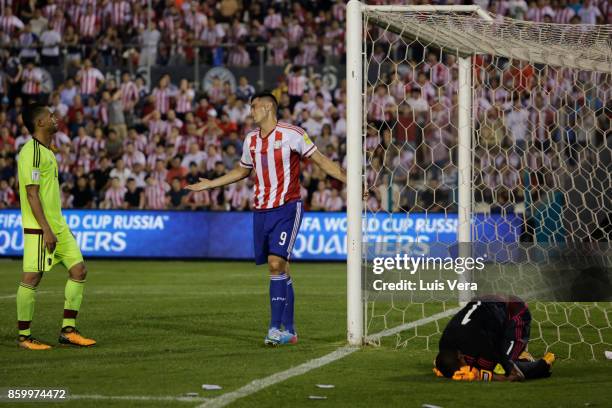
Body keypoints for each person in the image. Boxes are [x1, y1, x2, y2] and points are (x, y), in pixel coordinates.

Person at [185, 92, 346, 345]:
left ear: (268, 107)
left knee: (275, 264)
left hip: (287, 207)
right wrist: (211, 184)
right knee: (281, 268)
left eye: (254, 106)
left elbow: (320, 160)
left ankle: (273, 329)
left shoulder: (293, 133)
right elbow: (241, 170)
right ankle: (290, 330)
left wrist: (350, 181)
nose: (251, 111)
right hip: (261, 210)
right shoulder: (250, 139)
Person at [17, 104, 96, 349]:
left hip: (57, 225)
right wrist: (47, 229)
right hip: (40, 227)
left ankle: (68, 330)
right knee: (32, 276)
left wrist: (60, 225)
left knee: (79, 270)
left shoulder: (48, 151)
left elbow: (49, 195)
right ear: (40, 123)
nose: (55, 118)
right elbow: (32, 195)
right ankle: (24, 336)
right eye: (50, 116)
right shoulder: (32, 152)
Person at [434, 295, 554, 381]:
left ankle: (533, 362)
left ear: (460, 356)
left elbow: (505, 376)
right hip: (485, 307)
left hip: (514, 310)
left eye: (463, 368)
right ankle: (516, 352)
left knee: (512, 367)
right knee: (479, 360)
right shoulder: (444, 345)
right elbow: (444, 361)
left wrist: (480, 375)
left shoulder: (478, 345)